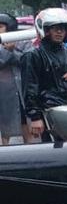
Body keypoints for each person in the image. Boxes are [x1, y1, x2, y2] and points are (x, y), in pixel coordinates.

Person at [21, 8, 67, 141]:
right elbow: (29, 88)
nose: (60, 32)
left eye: (63, 29)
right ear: (46, 30)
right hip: (48, 112)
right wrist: (35, 117)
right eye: (55, 28)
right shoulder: (33, 55)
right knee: (53, 152)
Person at [0, 12, 33, 145]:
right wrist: (7, 51)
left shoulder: (23, 39)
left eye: (1, 26)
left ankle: (31, 154)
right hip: (3, 91)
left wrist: (13, 50)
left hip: (20, 89)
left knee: (25, 122)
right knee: (4, 126)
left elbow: (28, 60)